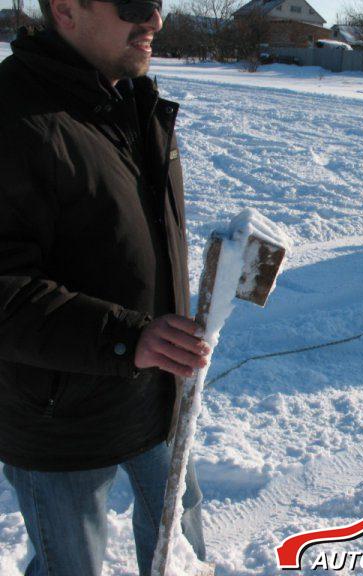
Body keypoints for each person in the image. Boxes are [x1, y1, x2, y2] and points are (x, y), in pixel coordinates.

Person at [0, 0, 211, 574]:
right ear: (67, 9)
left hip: (156, 390)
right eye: (135, 5)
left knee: (180, 547)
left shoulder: (131, 98)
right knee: (71, 564)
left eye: (159, 3)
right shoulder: (12, 118)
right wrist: (125, 339)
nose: (156, 21)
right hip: (58, 418)